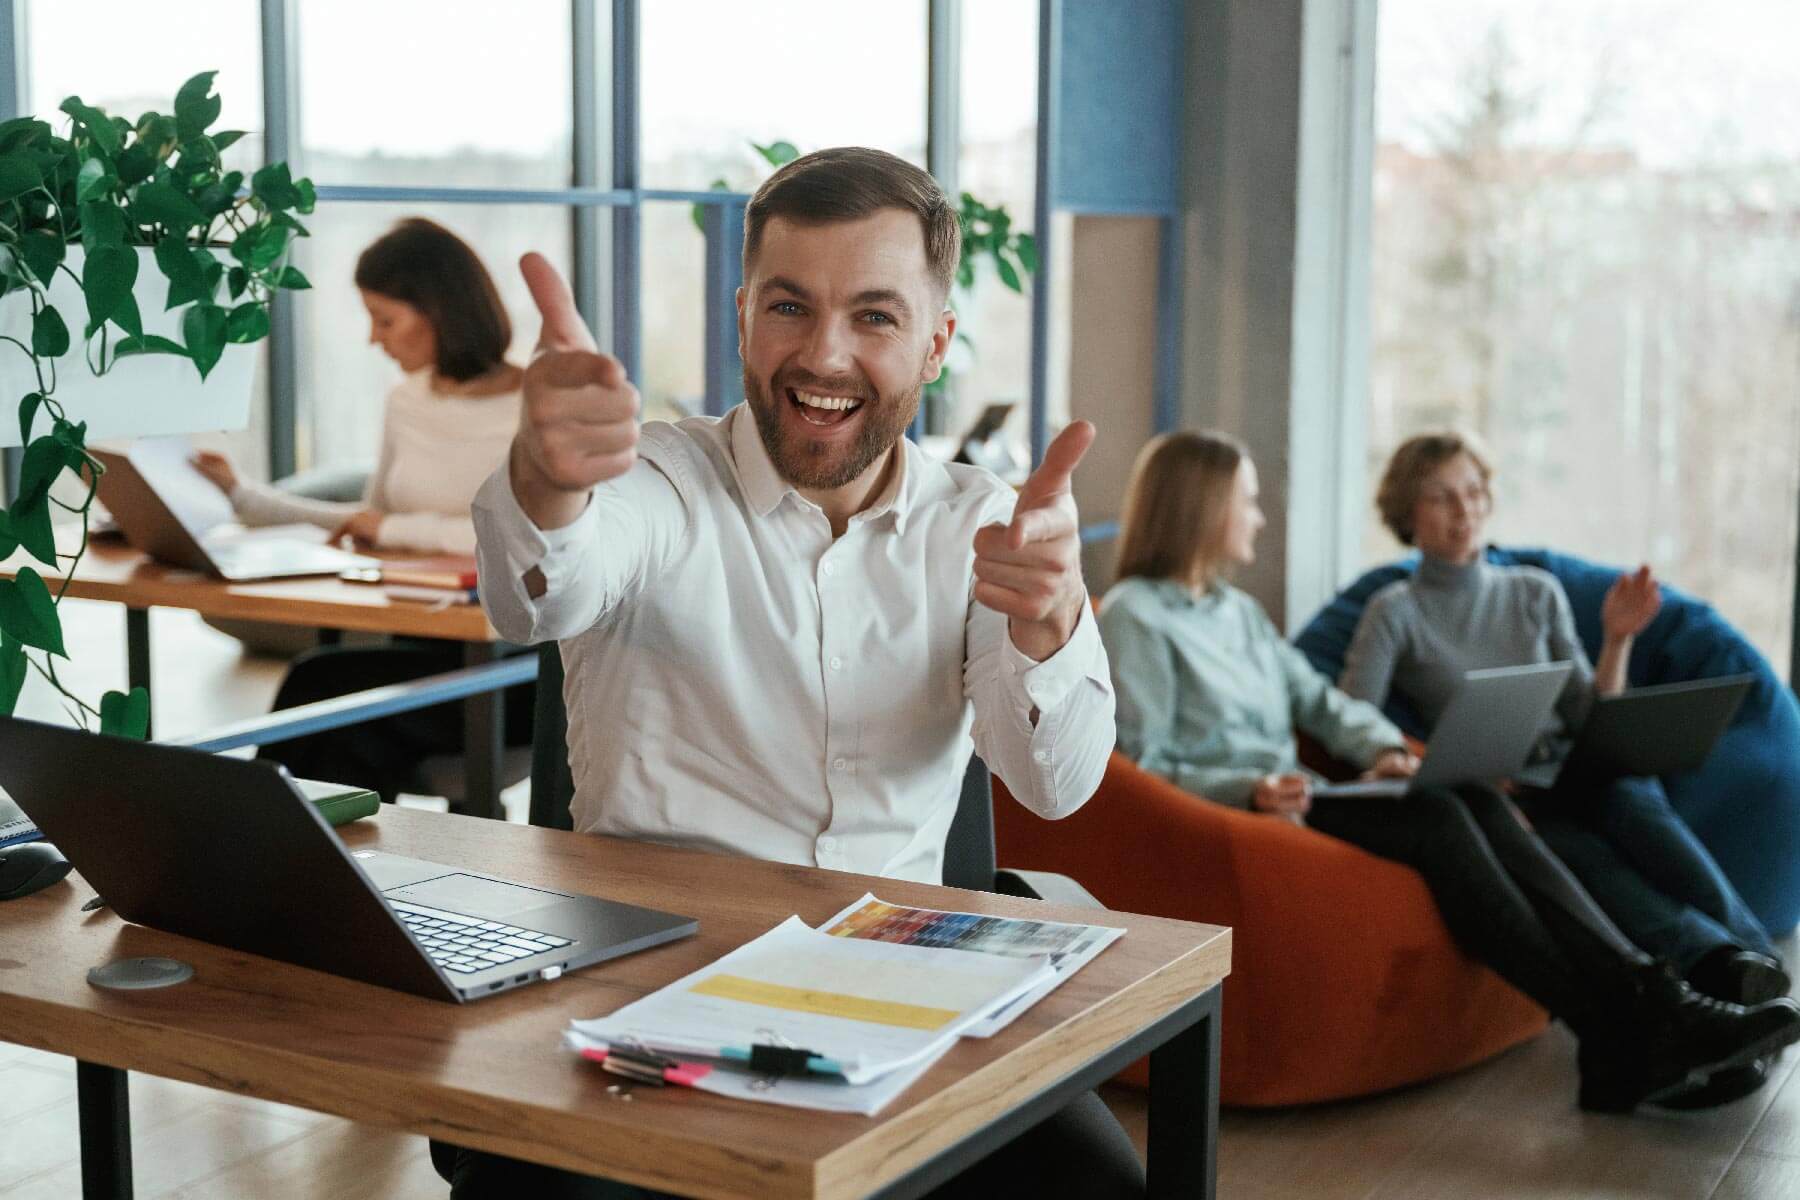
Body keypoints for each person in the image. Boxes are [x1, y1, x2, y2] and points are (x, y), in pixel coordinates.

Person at [455, 148, 1131, 1198]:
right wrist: (546, 478)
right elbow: (539, 592)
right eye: (788, 307)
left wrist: (1049, 621)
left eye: (874, 316)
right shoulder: (658, 483)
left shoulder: (983, 526)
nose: (823, 356)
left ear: (936, 342)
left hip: (901, 999)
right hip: (655, 992)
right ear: (741, 318)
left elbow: (1056, 784)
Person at [1098, 430, 1800, 1116]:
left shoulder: (1239, 613)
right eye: (1246, 500)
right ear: (1202, 506)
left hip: (1300, 791)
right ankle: (1645, 1018)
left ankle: (1649, 1010)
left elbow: (1324, 703)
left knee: (1468, 793)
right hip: (1245, 806)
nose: (1258, 515)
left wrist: (1387, 751)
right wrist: (1244, 788)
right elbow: (1144, 760)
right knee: (1446, 815)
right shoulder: (1136, 617)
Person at [1340, 431, 1789, 1104]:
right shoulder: (1394, 612)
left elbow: (1590, 710)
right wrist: (1448, 766)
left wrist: (1617, 638)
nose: (1463, 511)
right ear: (1408, 512)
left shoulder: (1534, 591)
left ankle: (1747, 964)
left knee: (1633, 798)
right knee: (1581, 854)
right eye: (1440, 497)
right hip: (1505, 790)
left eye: (1473, 493)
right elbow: (1352, 719)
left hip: (1575, 767)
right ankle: (1723, 975)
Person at [195, 218, 533, 802]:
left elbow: (530, 538)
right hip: (423, 640)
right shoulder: (406, 402)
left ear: (441, 310)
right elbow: (369, 523)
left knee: (336, 721)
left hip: (517, 660)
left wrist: (397, 528)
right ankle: (264, 855)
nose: (375, 339)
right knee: (316, 685)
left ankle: (265, 860)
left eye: (385, 319)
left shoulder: (537, 405)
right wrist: (243, 495)